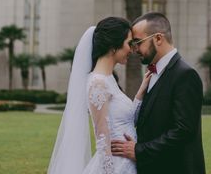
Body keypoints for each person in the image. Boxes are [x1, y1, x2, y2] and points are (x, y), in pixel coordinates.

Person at [47, 17, 151, 174]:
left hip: (128, 161)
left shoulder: (108, 79)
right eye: (128, 43)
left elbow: (128, 119)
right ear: (113, 46)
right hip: (116, 166)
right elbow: (102, 140)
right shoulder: (98, 83)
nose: (131, 50)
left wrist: (140, 92)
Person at [111, 12, 206, 174]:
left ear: (158, 39)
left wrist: (140, 150)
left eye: (138, 43)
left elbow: (183, 130)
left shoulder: (185, 75)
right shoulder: (152, 74)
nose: (134, 50)